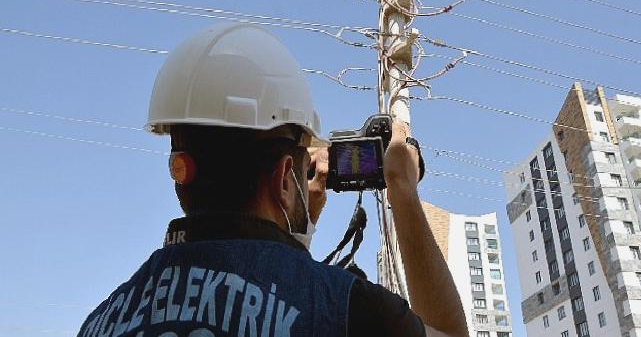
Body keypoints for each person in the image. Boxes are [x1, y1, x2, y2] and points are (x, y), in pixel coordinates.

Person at [77, 24, 467, 337]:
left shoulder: (101, 321)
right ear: (284, 177)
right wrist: (403, 190)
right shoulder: (347, 309)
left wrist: (297, 235)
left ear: (180, 171)